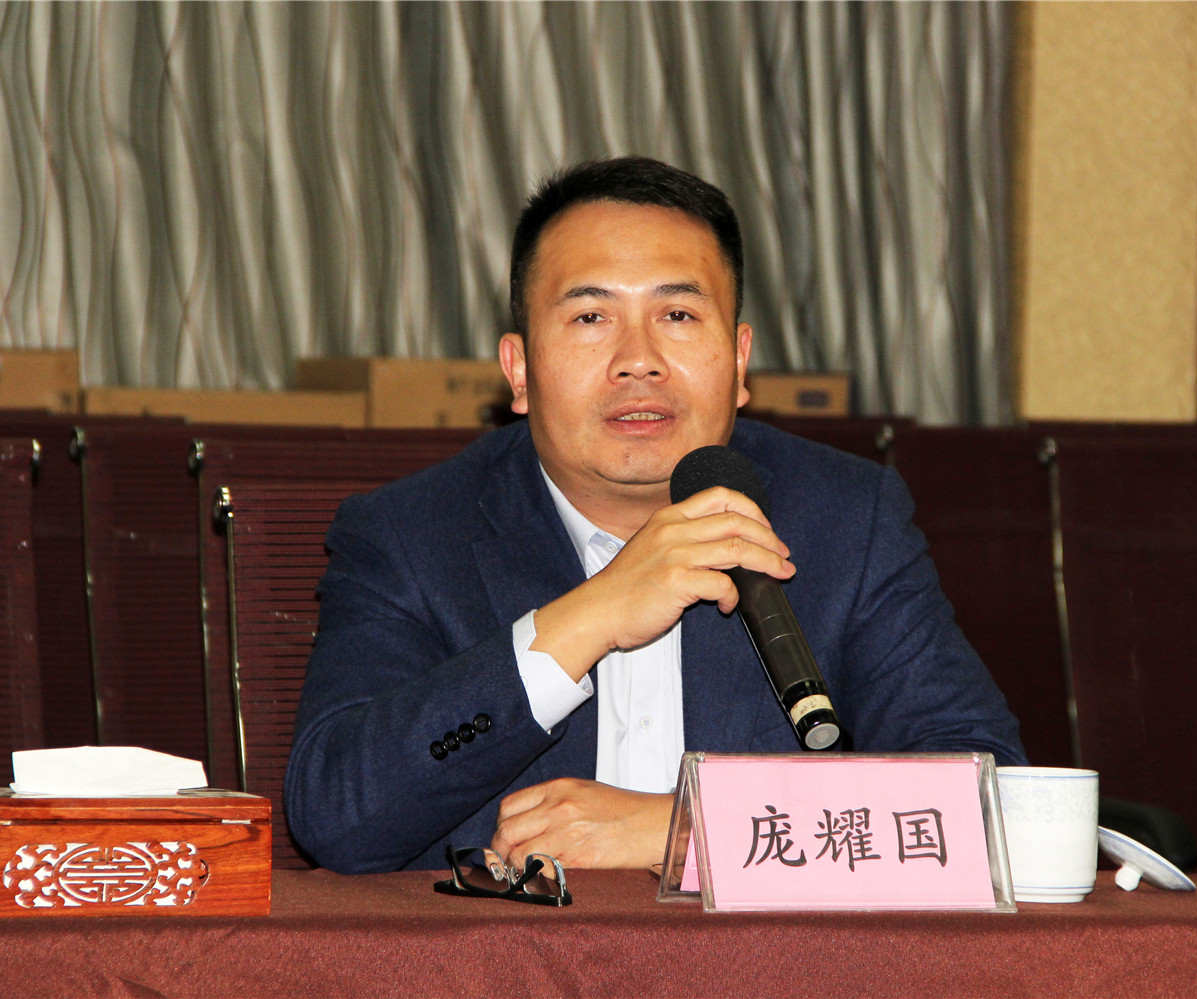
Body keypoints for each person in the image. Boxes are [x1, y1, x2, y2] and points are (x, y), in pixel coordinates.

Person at [284, 156, 1025, 874]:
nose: (638, 360)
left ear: (740, 362)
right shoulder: (410, 535)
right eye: (590, 316)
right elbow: (336, 816)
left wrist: (688, 827)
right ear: (519, 369)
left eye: (677, 314)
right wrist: (592, 614)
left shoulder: (846, 519)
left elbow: (989, 798)